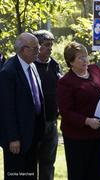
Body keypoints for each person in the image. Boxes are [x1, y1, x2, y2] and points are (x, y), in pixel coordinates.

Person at [57, 42, 100, 180]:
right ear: (71, 62)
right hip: (77, 138)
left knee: (98, 173)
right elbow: (65, 111)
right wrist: (87, 121)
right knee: (80, 174)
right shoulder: (66, 82)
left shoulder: (95, 70)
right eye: (80, 58)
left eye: (86, 56)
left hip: (98, 134)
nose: (85, 60)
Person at [0, 32, 45, 179]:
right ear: (23, 50)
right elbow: (6, 108)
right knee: (17, 175)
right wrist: (13, 137)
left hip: (32, 135)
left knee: (30, 174)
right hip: (17, 139)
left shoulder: (31, 66)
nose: (38, 51)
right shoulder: (9, 71)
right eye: (35, 48)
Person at [33, 30, 62, 180]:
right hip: (34, 124)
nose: (50, 48)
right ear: (37, 47)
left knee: (48, 162)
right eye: (46, 45)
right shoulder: (30, 67)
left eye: (51, 45)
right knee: (30, 162)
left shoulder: (55, 66)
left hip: (51, 122)